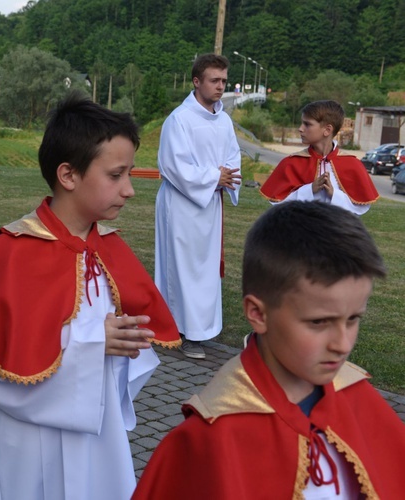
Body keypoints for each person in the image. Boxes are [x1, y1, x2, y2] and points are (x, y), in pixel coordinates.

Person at [0, 93, 181, 500]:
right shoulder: (11, 254)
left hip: (93, 431)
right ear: (68, 175)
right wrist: (91, 344)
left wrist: (123, 343)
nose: (129, 190)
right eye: (116, 175)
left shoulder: (107, 248)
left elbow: (131, 347)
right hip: (23, 443)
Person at [133, 201, 405, 499]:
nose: (342, 344)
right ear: (258, 313)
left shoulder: (358, 398)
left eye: (353, 319)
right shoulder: (211, 439)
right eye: (318, 322)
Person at [154, 53, 242, 360]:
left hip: (210, 205)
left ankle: (200, 329)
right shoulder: (179, 119)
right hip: (181, 204)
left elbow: (233, 159)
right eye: (214, 81)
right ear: (197, 81)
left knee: (203, 270)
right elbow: (173, 165)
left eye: (223, 81)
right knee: (181, 267)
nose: (220, 87)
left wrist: (226, 178)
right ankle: (180, 330)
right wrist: (213, 177)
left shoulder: (224, 120)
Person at [260, 100, 378, 215]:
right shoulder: (291, 163)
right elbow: (278, 205)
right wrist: (309, 189)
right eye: (302, 123)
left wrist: (334, 194)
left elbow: (360, 208)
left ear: (327, 130)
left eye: (307, 124)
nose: (300, 128)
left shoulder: (352, 164)